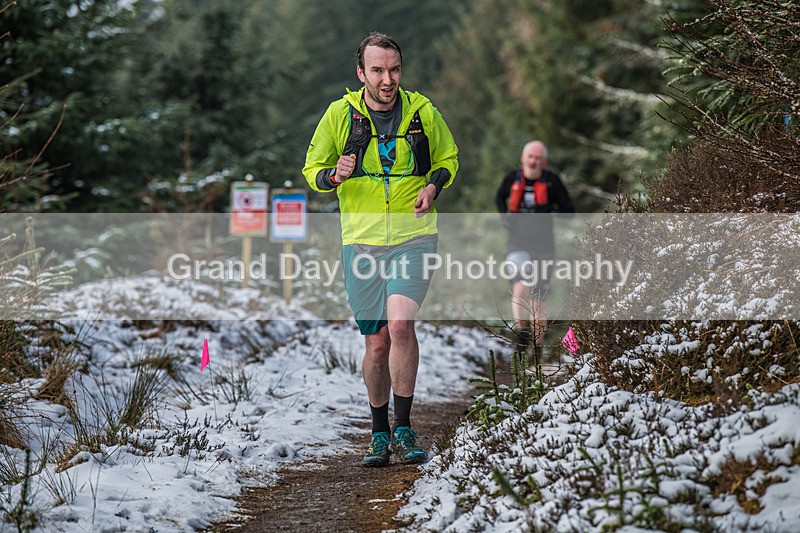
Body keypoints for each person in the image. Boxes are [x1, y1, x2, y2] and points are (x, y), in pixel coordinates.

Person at [302, 32, 458, 467]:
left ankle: (405, 428)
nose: (387, 79)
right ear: (361, 73)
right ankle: (378, 432)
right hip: (361, 241)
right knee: (376, 344)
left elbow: (449, 159)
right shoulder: (340, 115)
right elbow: (312, 170)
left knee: (401, 326)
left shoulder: (422, 111)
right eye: (377, 70)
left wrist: (432, 186)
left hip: (414, 235)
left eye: (394, 69)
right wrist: (335, 175)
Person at [495, 140, 574, 361]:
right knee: (520, 289)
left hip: (543, 247)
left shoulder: (552, 182)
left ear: (544, 162)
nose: (533, 161)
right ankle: (522, 335)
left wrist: (548, 212)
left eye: (538, 158)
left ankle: (537, 350)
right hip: (517, 244)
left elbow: (569, 211)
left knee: (537, 299)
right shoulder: (512, 178)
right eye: (530, 156)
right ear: (523, 158)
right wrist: (504, 217)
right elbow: (499, 197)